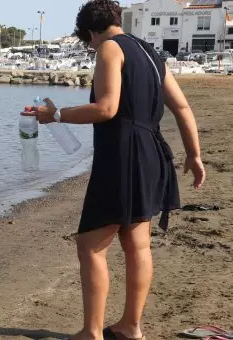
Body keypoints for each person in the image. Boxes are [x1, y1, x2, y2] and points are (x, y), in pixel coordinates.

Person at [22, 1, 206, 339]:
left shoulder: (108, 48)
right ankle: (131, 327)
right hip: (152, 153)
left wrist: (56, 115)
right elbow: (181, 106)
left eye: (88, 41)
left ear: (90, 32)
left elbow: (106, 108)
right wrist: (194, 155)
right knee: (137, 245)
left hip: (123, 155)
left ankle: (92, 332)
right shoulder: (151, 53)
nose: (91, 47)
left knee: (90, 245)